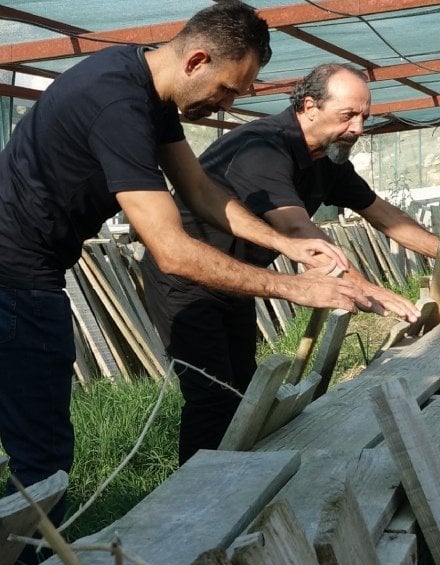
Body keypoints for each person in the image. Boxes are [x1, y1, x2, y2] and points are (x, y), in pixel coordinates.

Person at [0, 2, 397, 522]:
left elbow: (200, 190)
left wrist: (288, 247)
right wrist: (295, 289)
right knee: (43, 460)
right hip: (15, 281)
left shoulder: (146, 89)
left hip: (29, 272)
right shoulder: (116, 104)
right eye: (228, 89)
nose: (228, 103)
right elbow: (171, 249)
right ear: (197, 61)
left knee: (42, 449)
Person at [140, 62, 440, 464]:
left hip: (239, 277)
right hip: (188, 276)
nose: (357, 129)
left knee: (244, 389)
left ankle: (238, 475)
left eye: (364, 117)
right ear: (309, 106)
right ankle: (191, 497)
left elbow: (384, 214)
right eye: (347, 115)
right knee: (211, 395)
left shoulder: (327, 159)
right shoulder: (261, 148)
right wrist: (368, 288)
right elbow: (297, 230)